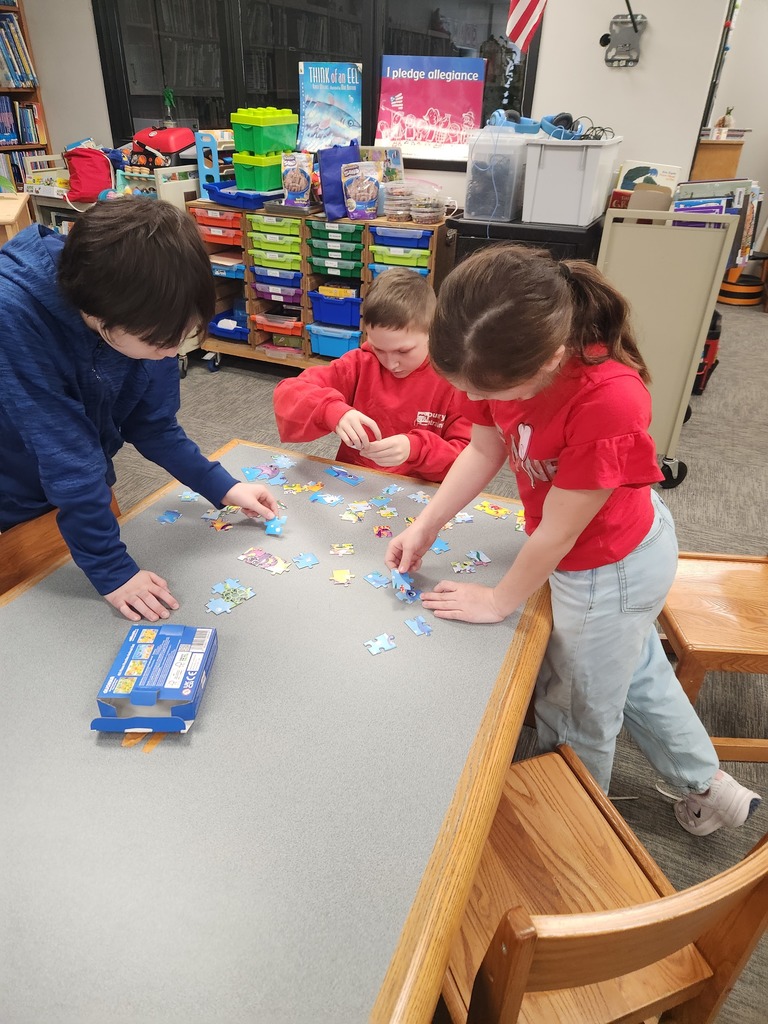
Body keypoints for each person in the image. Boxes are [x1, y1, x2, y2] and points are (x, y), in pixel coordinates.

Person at [385, 244, 761, 837]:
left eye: (493, 394)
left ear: (551, 358)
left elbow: (560, 534)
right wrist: (426, 524)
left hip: (607, 567)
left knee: (577, 707)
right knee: (634, 669)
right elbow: (483, 450)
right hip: (605, 549)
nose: (479, 402)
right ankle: (709, 786)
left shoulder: (609, 397)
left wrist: (497, 600)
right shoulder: (486, 353)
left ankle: (569, 832)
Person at [0, 198, 278, 622]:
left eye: (182, 338)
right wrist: (113, 572)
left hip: (82, 473)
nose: (171, 354)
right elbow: (68, 460)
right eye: (158, 342)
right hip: (13, 481)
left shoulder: (150, 317)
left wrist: (220, 486)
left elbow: (152, 423)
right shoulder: (15, 314)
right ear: (96, 314)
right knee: (27, 605)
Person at [273, 268, 471, 482]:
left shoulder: (454, 380)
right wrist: (331, 410)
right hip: (356, 483)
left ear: (433, 333)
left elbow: (470, 460)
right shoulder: (360, 364)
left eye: (403, 351)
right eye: (379, 348)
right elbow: (288, 393)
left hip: (423, 492)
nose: (390, 363)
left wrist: (417, 449)